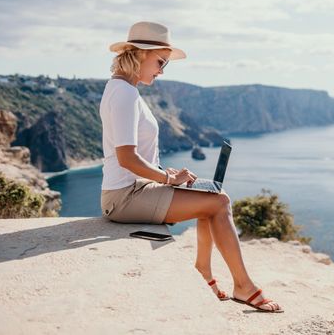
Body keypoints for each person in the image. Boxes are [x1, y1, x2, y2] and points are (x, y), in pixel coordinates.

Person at [99, 21, 283, 313]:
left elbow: (131, 158)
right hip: (124, 198)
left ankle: (205, 272)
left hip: (132, 188)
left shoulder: (121, 88)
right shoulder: (125, 94)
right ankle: (242, 286)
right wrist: (167, 179)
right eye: (160, 62)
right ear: (139, 54)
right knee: (219, 202)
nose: (161, 71)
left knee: (210, 198)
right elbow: (126, 159)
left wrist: (166, 173)